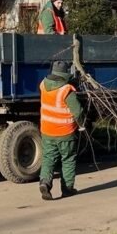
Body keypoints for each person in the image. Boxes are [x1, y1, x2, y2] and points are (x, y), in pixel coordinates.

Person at [39, 60, 84, 200]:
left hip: (47, 130)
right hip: (65, 132)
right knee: (68, 159)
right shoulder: (66, 91)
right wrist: (82, 125)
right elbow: (78, 111)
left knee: (48, 158)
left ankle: (45, 182)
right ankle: (67, 189)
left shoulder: (43, 85)